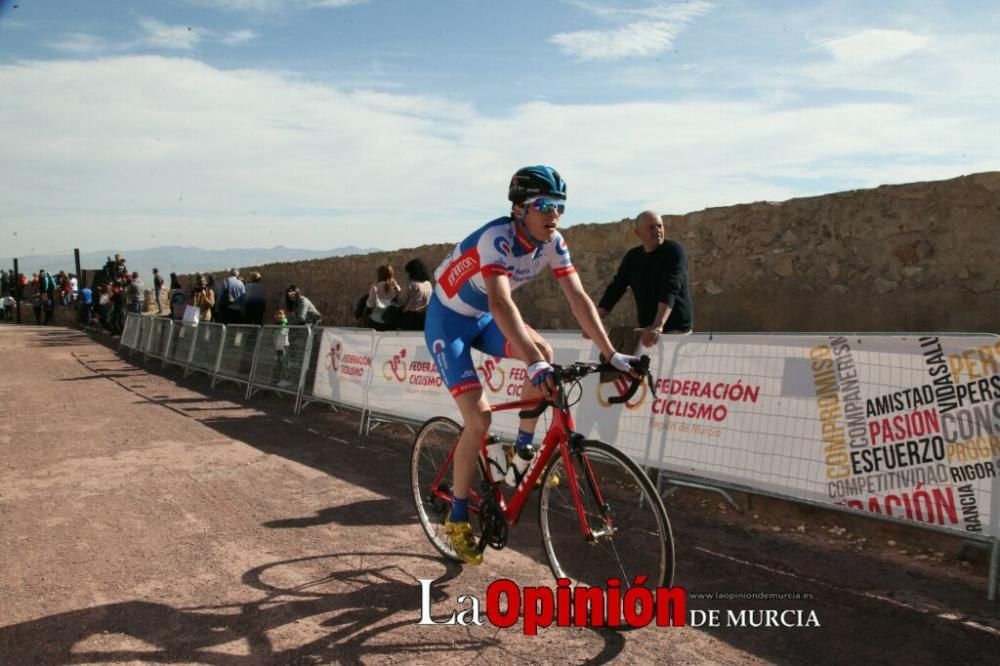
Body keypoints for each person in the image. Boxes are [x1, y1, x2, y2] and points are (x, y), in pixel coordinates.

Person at [424, 165, 639, 565]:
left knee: (545, 354)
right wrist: (532, 363)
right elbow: (500, 303)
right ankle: (455, 514)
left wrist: (611, 354)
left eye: (559, 207)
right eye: (544, 206)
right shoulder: (497, 238)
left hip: (485, 318)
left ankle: (521, 454)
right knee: (481, 418)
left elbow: (578, 299)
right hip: (449, 320)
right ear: (520, 208)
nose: (553, 215)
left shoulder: (554, 243)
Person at [598, 209, 694, 347]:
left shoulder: (674, 250)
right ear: (638, 233)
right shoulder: (632, 257)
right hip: (647, 330)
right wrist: (595, 320)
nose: (657, 230)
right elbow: (616, 288)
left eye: (659, 226)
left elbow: (671, 286)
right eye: (651, 227)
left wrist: (658, 325)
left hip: (675, 330)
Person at [396, 258, 433, 331]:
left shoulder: (411, 285)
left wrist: (398, 292)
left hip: (411, 318)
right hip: (425, 317)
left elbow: (401, 301)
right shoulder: (428, 284)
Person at [366, 264, 401, 331]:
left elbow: (370, 304)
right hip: (391, 320)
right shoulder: (396, 287)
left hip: (376, 320)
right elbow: (400, 302)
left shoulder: (375, 286)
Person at [272, 308, 292, 388]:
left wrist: (280, 348)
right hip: (278, 347)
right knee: (279, 364)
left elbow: (283, 335)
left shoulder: (284, 324)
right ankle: (279, 379)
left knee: (284, 364)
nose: (279, 315)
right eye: (277, 314)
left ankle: (286, 380)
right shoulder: (277, 324)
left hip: (283, 347)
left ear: (285, 315)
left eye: (281, 313)